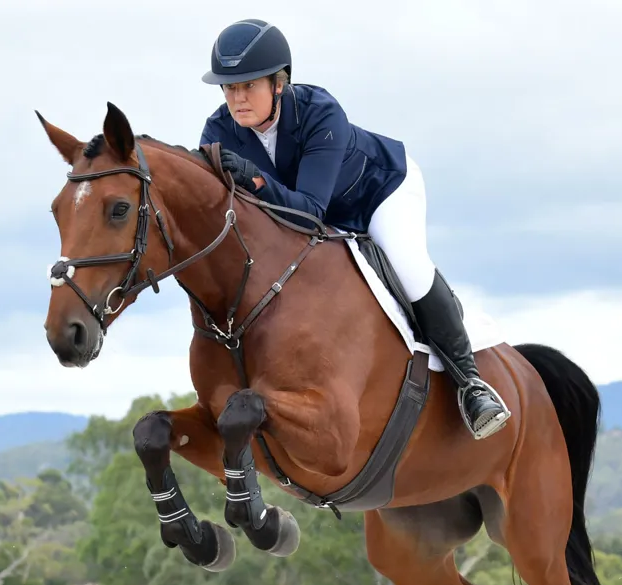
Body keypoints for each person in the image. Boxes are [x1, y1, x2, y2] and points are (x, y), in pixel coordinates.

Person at [199, 19, 511, 440]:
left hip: (378, 195)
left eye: (247, 86)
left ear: (278, 83)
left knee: (406, 265)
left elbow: (310, 211)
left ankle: (471, 385)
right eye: (229, 88)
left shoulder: (319, 112)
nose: (237, 98)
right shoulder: (218, 131)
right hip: (315, 220)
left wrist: (255, 180)